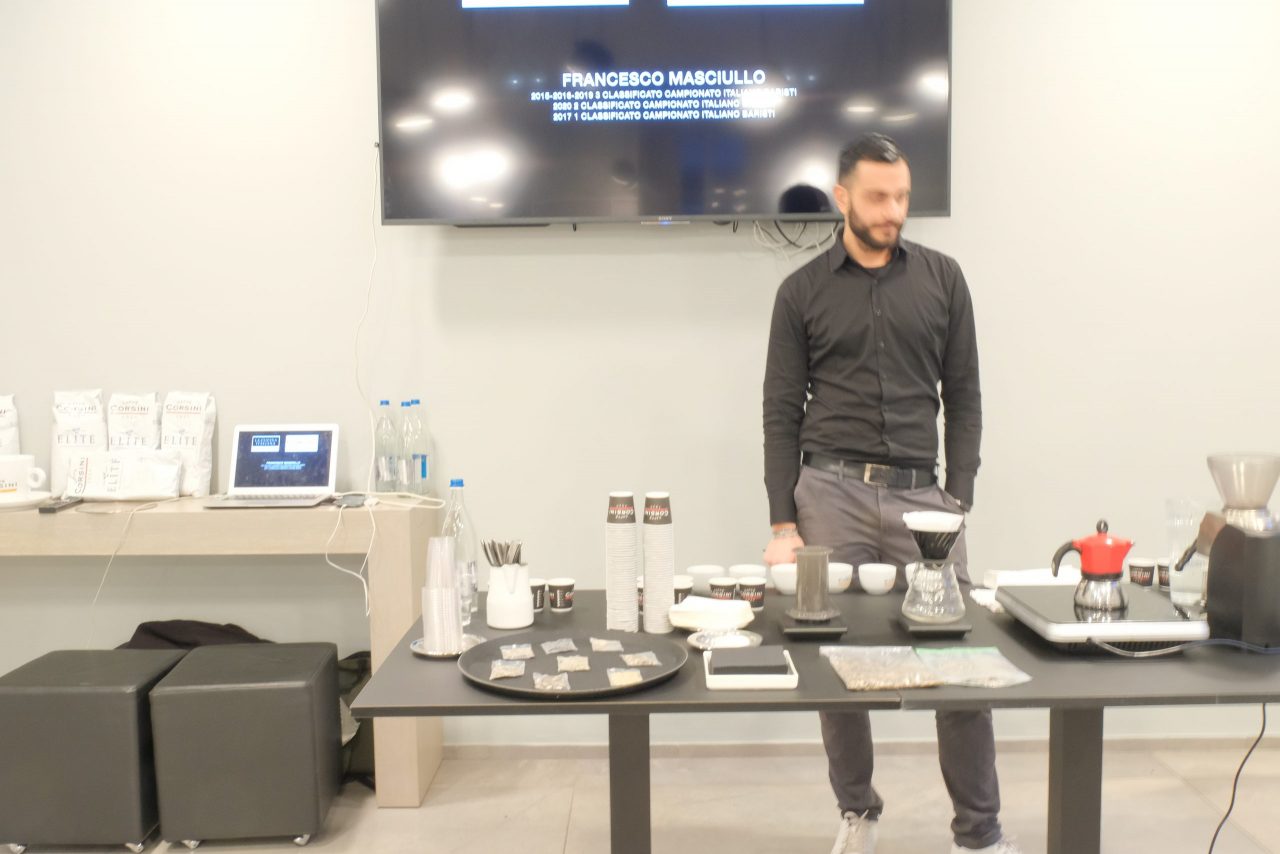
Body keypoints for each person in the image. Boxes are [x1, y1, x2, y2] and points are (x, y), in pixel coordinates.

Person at [761, 133, 1021, 854]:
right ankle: (858, 811)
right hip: (830, 492)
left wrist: (957, 495)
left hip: (923, 498)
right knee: (832, 660)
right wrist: (783, 520)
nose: (894, 210)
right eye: (878, 196)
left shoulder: (944, 280)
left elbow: (964, 394)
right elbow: (781, 412)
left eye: (902, 195)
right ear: (842, 197)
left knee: (961, 663)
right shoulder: (801, 293)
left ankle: (979, 834)